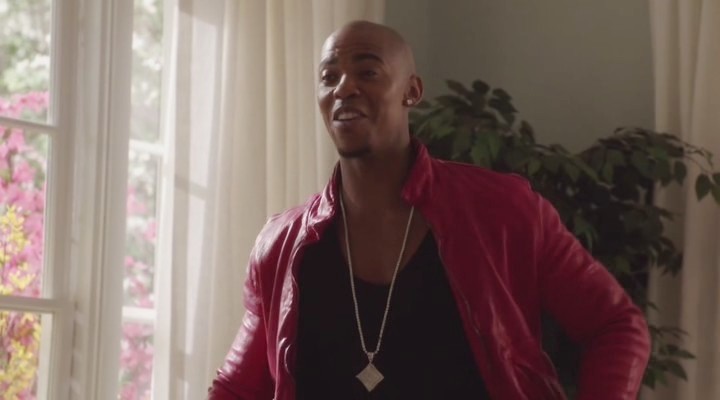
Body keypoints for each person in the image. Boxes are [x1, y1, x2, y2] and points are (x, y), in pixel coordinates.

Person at [208, 20, 650, 400]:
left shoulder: (504, 212)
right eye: (329, 77)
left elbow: (616, 325)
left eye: (367, 71)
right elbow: (235, 388)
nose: (344, 87)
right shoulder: (280, 245)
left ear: (412, 91)